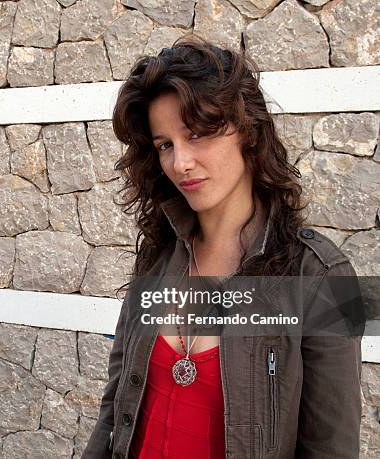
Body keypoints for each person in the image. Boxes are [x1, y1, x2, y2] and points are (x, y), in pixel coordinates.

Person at [83, 35, 363, 459]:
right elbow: (114, 409)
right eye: (165, 145)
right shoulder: (158, 258)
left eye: (198, 134)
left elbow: (331, 447)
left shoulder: (322, 275)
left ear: (248, 132)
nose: (181, 163)